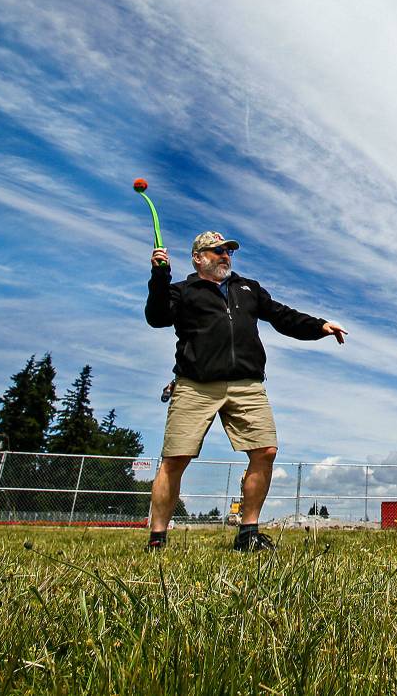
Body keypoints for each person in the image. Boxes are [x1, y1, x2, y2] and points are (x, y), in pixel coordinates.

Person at [144, 231, 346, 551]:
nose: (225, 255)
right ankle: (157, 538)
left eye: (228, 251)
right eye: (217, 251)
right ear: (198, 257)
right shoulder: (182, 291)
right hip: (195, 385)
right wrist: (159, 275)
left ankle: (248, 534)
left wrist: (319, 326)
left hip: (246, 384)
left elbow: (282, 316)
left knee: (265, 451)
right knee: (175, 458)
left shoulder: (247, 288)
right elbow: (156, 318)